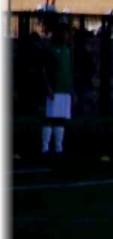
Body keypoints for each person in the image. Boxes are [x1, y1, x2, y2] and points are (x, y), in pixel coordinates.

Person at [39, 11, 73, 157]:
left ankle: (59, 148)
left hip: (65, 89)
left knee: (61, 118)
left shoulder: (67, 51)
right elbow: (43, 71)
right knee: (49, 118)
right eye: (61, 32)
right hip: (54, 89)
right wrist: (48, 88)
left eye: (66, 32)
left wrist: (71, 90)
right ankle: (45, 148)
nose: (64, 35)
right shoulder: (50, 50)